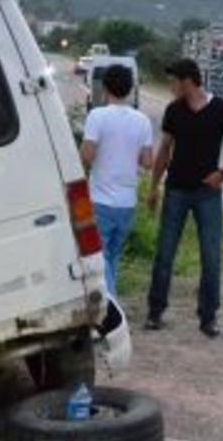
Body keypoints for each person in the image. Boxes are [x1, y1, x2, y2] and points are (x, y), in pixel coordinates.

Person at [145, 59, 223, 338]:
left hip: (208, 194)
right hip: (176, 190)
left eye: (173, 81)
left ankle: (209, 317)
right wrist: (154, 187)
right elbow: (164, 150)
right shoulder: (173, 110)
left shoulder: (221, 109)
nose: (170, 86)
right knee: (165, 254)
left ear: (187, 80)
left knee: (211, 257)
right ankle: (155, 312)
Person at [80, 65, 154, 297]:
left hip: (101, 200)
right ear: (131, 88)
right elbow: (147, 161)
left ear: (104, 88)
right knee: (112, 256)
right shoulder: (142, 120)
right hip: (127, 203)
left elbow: (87, 155)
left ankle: (110, 308)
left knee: (99, 260)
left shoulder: (97, 116)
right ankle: (110, 302)